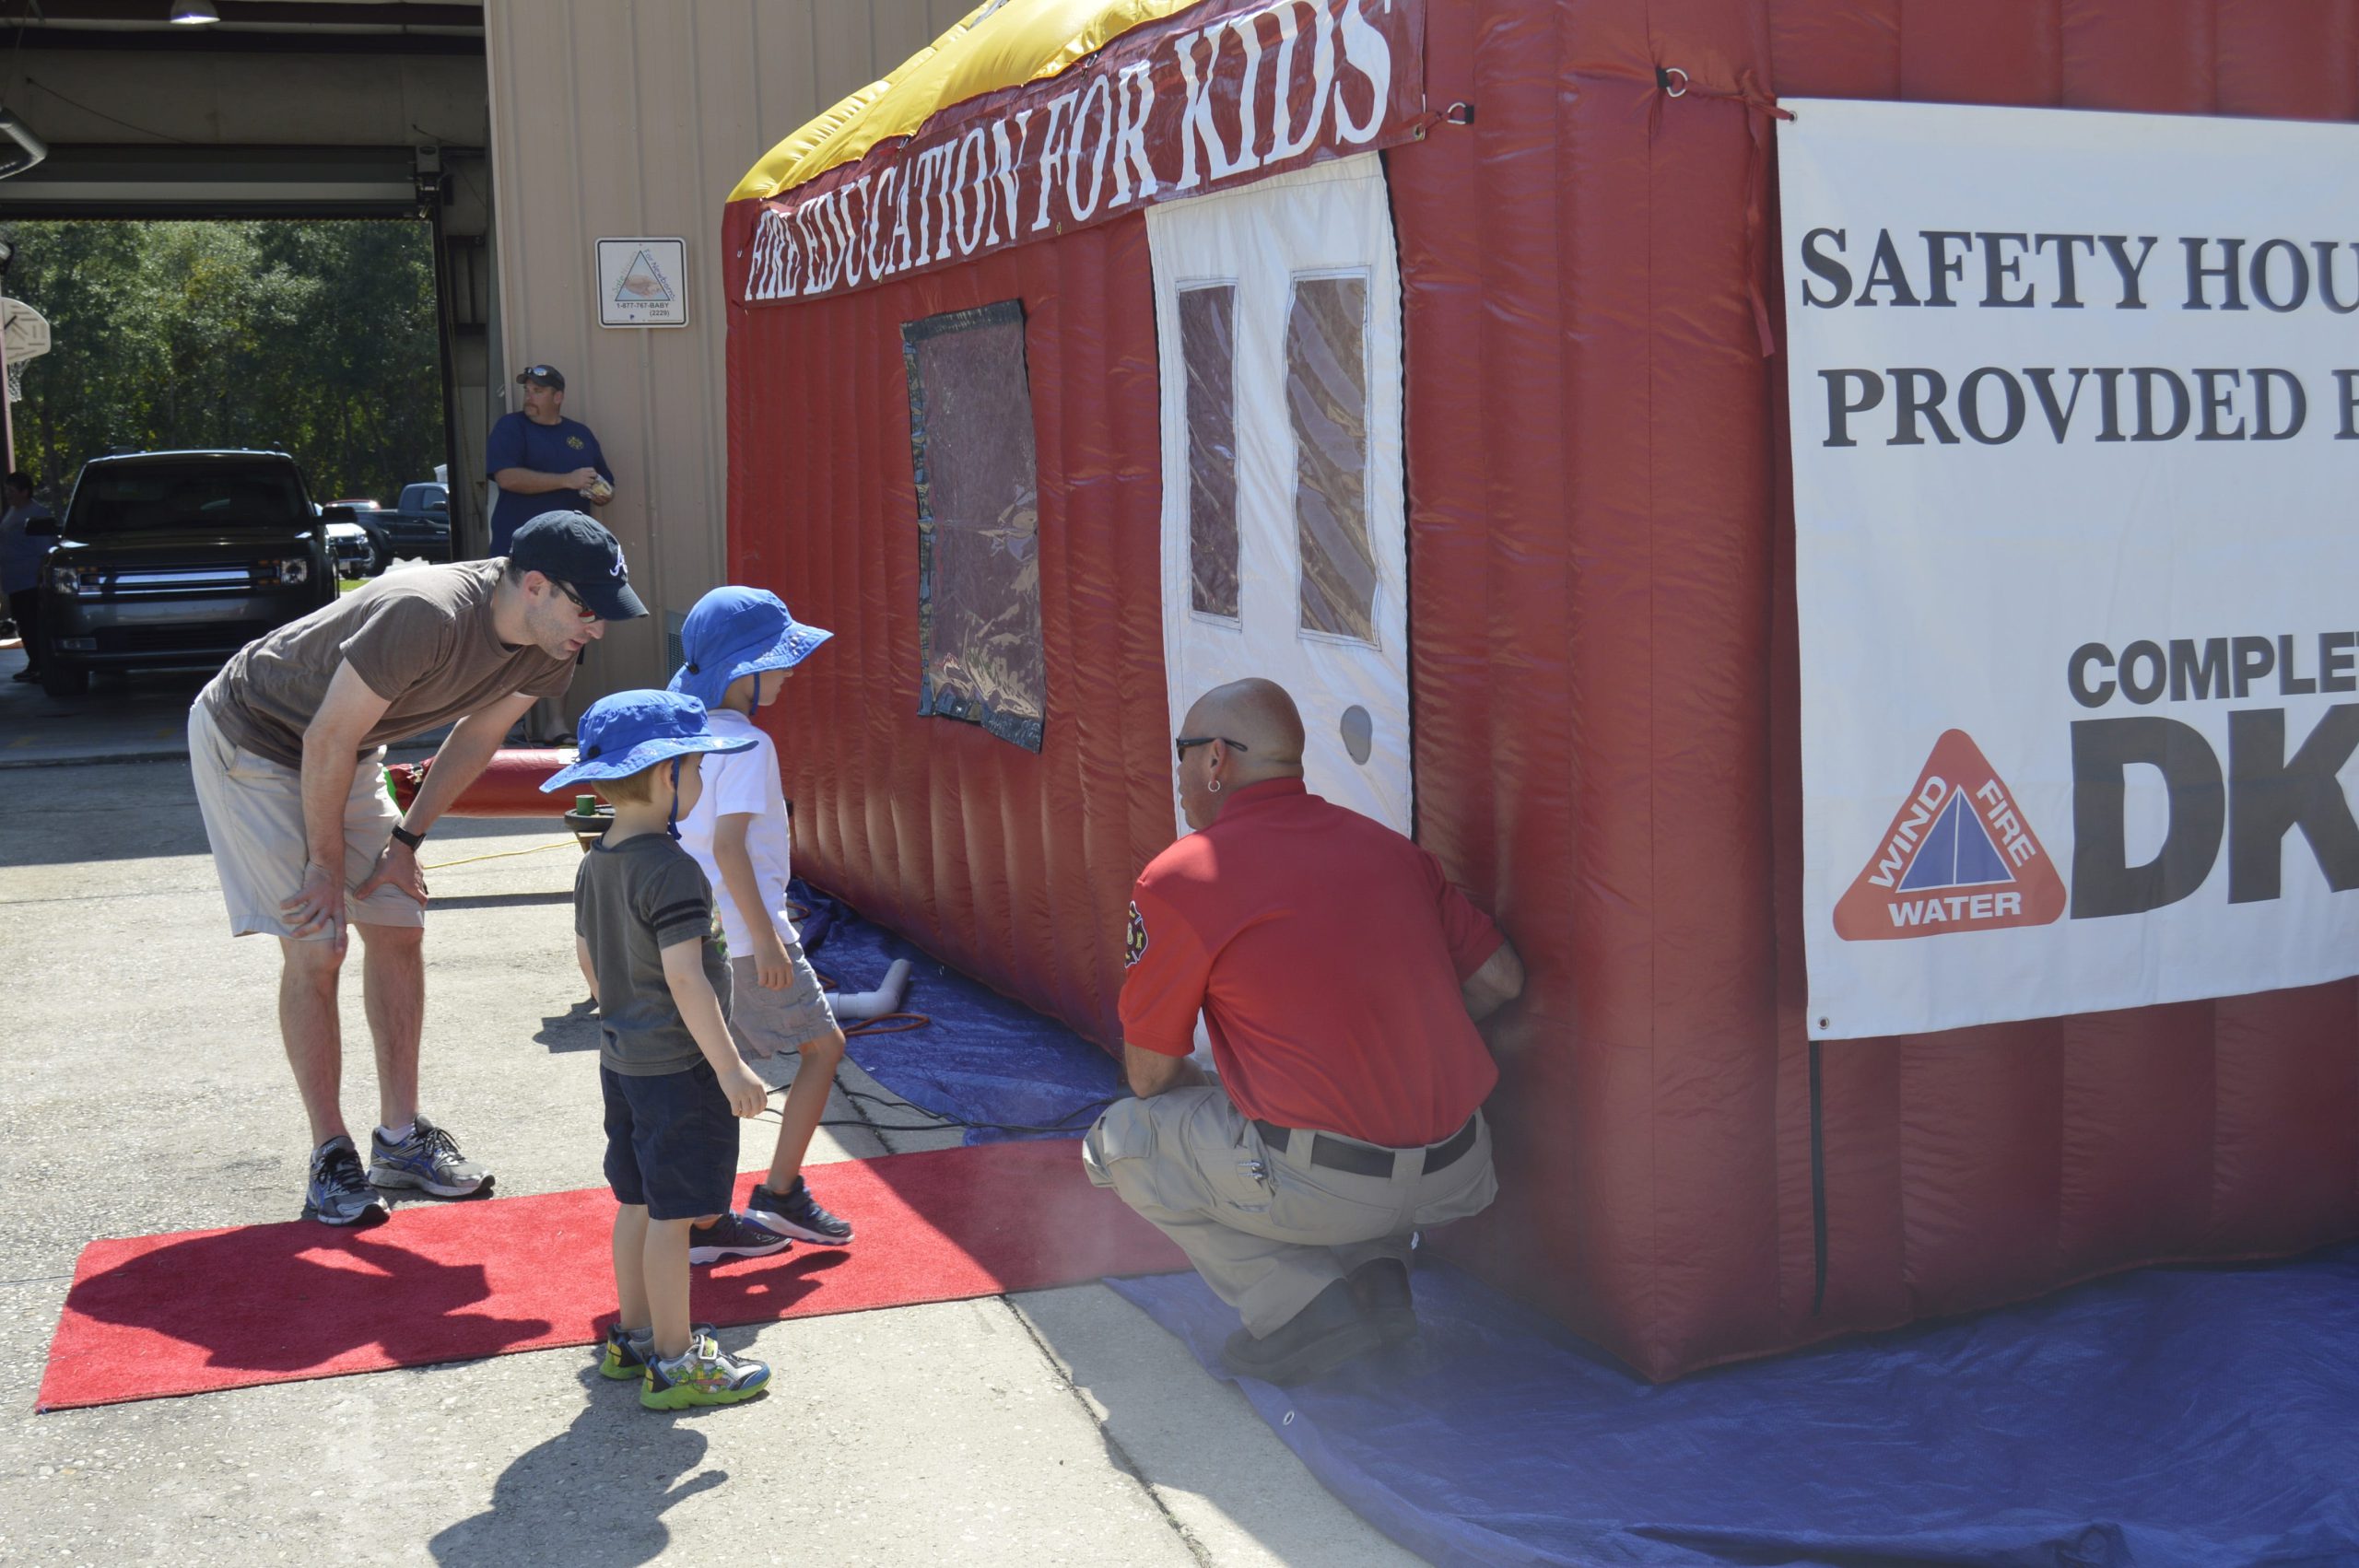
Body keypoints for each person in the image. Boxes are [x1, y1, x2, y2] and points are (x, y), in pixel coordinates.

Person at [188, 511, 641, 1227]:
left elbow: (477, 738)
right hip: (255, 736)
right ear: (533, 586)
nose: (599, 627)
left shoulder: (553, 647)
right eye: (588, 608)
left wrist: (406, 845)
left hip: (345, 746)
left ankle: (400, 1140)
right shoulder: (425, 614)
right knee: (319, 940)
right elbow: (326, 736)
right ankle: (329, 1155)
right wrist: (322, 868)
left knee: (398, 924)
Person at [1085, 677, 1526, 1386]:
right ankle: (1380, 1282)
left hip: (1326, 1187)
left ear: (1216, 762)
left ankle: (1303, 1308)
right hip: (1461, 1174)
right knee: (1341, 1111)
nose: (1179, 771)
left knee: (1122, 1140)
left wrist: (1218, 1077)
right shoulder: (1390, 851)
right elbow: (1501, 980)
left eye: (1182, 753)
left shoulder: (1182, 877)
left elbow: (1148, 1077)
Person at [545, 689, 778, 1410]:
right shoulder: (673, 871)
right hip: (679, 1069)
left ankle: (636, 1336)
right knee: (675, 1217)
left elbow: (587, 958)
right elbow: (685, 976)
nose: (704, 781)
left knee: (639, 1201)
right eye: (697, 768)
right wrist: (729, 1065)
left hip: (623, 1061)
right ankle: (677, 1365)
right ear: (664, 776)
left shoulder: (597, 862)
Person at [669, 585, 854, 1246]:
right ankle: (773, 1195)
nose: (790, 671)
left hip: (693, 932)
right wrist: (772, 942)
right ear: (743, 674)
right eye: (779, 660)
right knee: (822, 1047)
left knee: (703, 1073)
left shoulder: (684, 732)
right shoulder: (748, 746)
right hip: (746, 935)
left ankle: (699, 1215)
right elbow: (729, 847)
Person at [486, 364, 615, 557]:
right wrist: (568, 480)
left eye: (538, 391)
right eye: (527, 391)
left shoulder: (580, 433)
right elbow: (507, 478)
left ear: (558, 397)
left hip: (570, 548)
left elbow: (606, 485)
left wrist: (602, 493)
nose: (529, 397)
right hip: (521, 547)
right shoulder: (511, 426)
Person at [0, 472, 55, 682]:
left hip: (30, 580)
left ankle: (42, 664)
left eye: (11, 491)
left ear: (25, 492)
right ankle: (34, 663)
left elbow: (44, 550)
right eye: (6, 490)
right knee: (24, 623)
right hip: (15, 581)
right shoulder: (12, 512)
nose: (7, 495)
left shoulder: (36, 514)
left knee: (33, 623)